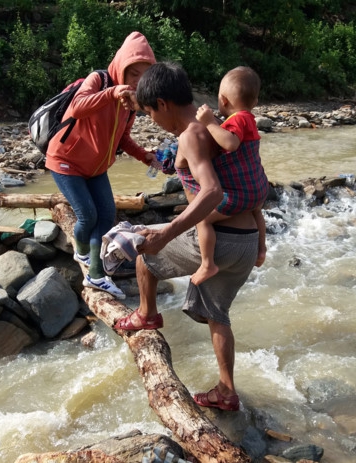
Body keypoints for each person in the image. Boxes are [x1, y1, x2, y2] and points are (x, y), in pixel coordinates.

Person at [114, 62, 261, 412]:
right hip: (246, 240)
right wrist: (134, 101)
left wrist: (166, 232)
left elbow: (211, 191)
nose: (151, 119)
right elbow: (172, 160)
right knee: (217, 314)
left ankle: (146, 314)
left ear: (163, 104)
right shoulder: (215, 123)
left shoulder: (193, 133)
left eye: (150, 111)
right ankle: (226, 391)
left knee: (143, 253)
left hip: (219, 237)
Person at [46, 32, 156, 299]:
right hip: (65, 160)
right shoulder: (100, 80)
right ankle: (84, 254)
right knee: (87, 216)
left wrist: (146, 156)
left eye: (144, 75)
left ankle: (95, 271)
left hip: (95, 168)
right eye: (133, 74)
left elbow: (123, 138)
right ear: (121, 67)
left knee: (106, 216)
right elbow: (78, 106)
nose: (138, 81)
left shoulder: (129, 104)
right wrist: (112, 92)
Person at [192, 66, 269, 285]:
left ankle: (208, 263)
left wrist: (207, 122)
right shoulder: (249, 119)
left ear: (223, 100)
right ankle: (261, 250)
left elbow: (230, 143)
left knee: (202, 218)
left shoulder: (237, 120)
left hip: (240, 194)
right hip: (259, 189)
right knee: (257, 212)